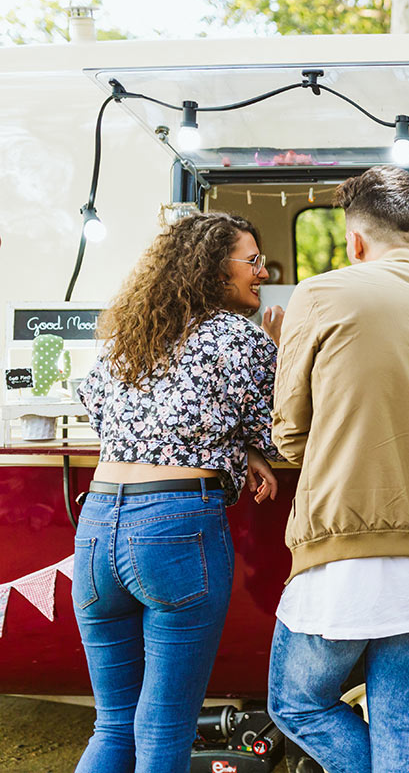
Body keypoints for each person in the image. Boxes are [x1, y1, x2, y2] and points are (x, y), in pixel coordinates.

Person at [267, 165, 409, 773]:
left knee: (297, 704)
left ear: (355, 241)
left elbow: (289, 434)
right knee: (400, 718)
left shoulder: (321, 295)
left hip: (345, 547)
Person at [73, 212, 282, 773]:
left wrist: (234, 446)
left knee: (113, 724)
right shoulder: (240, 338)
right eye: (253, 261)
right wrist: (276, 352)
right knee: (164, 726)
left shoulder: (128, 338)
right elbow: (279, 433)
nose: (264, 272)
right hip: (175, 527)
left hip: (96, 528)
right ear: (215, 270)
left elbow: (105, 416)